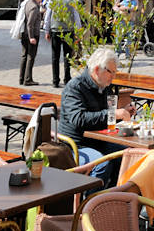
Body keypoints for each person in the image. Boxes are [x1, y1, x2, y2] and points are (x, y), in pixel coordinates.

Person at [57, 47, 134, 181]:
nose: (113, 76)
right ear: (97, 69)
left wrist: (124, 111)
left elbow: (105, 117)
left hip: (99, 141)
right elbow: (79, 119)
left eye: (115, 72)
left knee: (129, 154)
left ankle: (114, 195)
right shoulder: (75, 87)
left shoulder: (104, 87)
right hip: (75, 146)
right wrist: (113, 114)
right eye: (111, 72)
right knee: (102, 163)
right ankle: (91, 200)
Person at [43, 0, 80, 88]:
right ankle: (67, 79)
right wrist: (78, 32)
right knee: (67, 56)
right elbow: (76, 17)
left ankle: (55, 80)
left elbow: (48, 16)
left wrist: (46, 30)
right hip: (68, 31)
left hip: (55, 30)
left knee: (55, 56)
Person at [20, 0, 46, 86]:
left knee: (24, 56)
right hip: (32, 35)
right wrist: (31, 37)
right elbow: (30, 23)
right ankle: (28, 79)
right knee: (31, 56)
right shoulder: (34, 7)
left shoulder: (27, 3)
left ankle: (21, 78)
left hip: (24, 34)